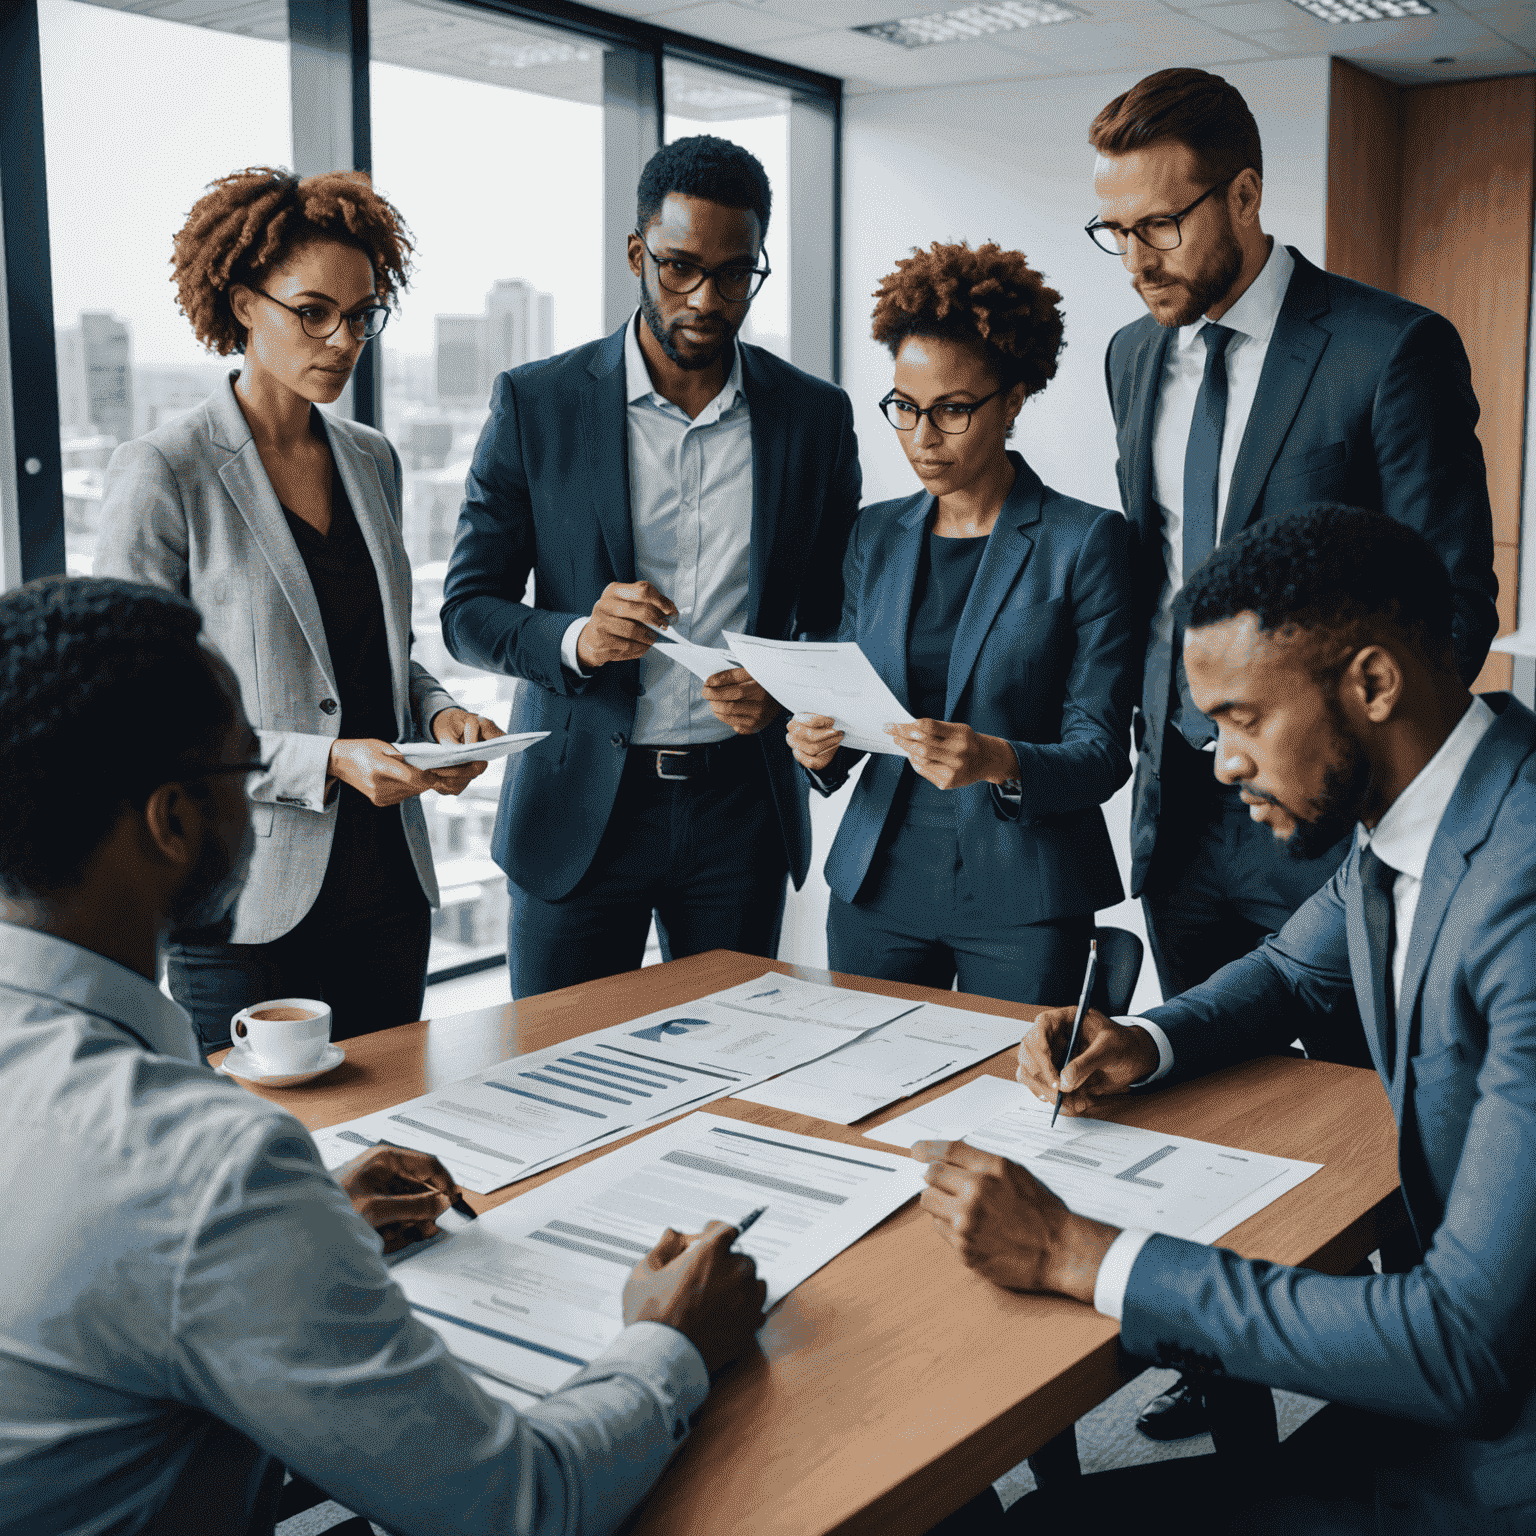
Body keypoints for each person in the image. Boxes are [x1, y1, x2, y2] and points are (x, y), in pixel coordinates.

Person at [0, 575, 767, 1536]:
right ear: (173, 821)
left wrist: (308, 1228)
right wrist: (670, 1342)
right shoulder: (210, 1169)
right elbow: (517, 1508)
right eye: (246, 766)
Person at [915, 506, 1536, 1532]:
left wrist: (1078, 1253)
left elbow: (1457, 1347)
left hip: (1493, 1452)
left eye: (1244, 720)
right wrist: (1142, 1040)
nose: (1222, 761)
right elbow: (1293, 973)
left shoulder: (1518, 886)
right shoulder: (1438, 802)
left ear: (1373, 684)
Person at [1090, 67, 1499, 1438]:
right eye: (1115, 232)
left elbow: (1445, 600)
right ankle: (1224, 1371)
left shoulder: (1389, 348)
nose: (1136, 258)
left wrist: (1344, 774)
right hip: (1191, 807)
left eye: (1160, 224)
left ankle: (1379, 1366)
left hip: (1339, 811)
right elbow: (1159, 594)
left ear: (1247, 195)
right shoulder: (1131, 357)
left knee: (1368, 1122)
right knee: (1204, 1115)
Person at [440, 135, 861, 999]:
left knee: (729, 1080)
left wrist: (779, 688)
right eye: (679, 268)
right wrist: (577, 640)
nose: (706, 299)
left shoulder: (813, 419)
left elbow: (836, 612)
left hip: (740, 813)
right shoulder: (538, 403)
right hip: (580, 806)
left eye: (735, 274)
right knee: (554, 1079)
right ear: (638, 254)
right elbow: (468, 609)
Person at [96, 167, 501, 1053]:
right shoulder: (165, 470)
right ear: (243, 304)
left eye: (361, 316)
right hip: (246, 904)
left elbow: (386, 650)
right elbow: (135, 714)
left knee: (387, 1150)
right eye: (312, 312)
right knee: (263, 1165)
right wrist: (325, 762)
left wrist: (440, 710)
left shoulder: (373, 460)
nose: (343, 339)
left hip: (388, 892)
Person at [787, 241, 1136, 1005]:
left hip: (1024, 895)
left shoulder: (1087, 543)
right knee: (860, 1097)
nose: (922, 437)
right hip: (877, 885)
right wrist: (818, 746)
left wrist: (996, 759)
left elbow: (1105, 753)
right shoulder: (872, 535)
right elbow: (852, 707)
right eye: (904, 409)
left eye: (951, 410)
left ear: (1013, 400)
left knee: (1012, 1111)